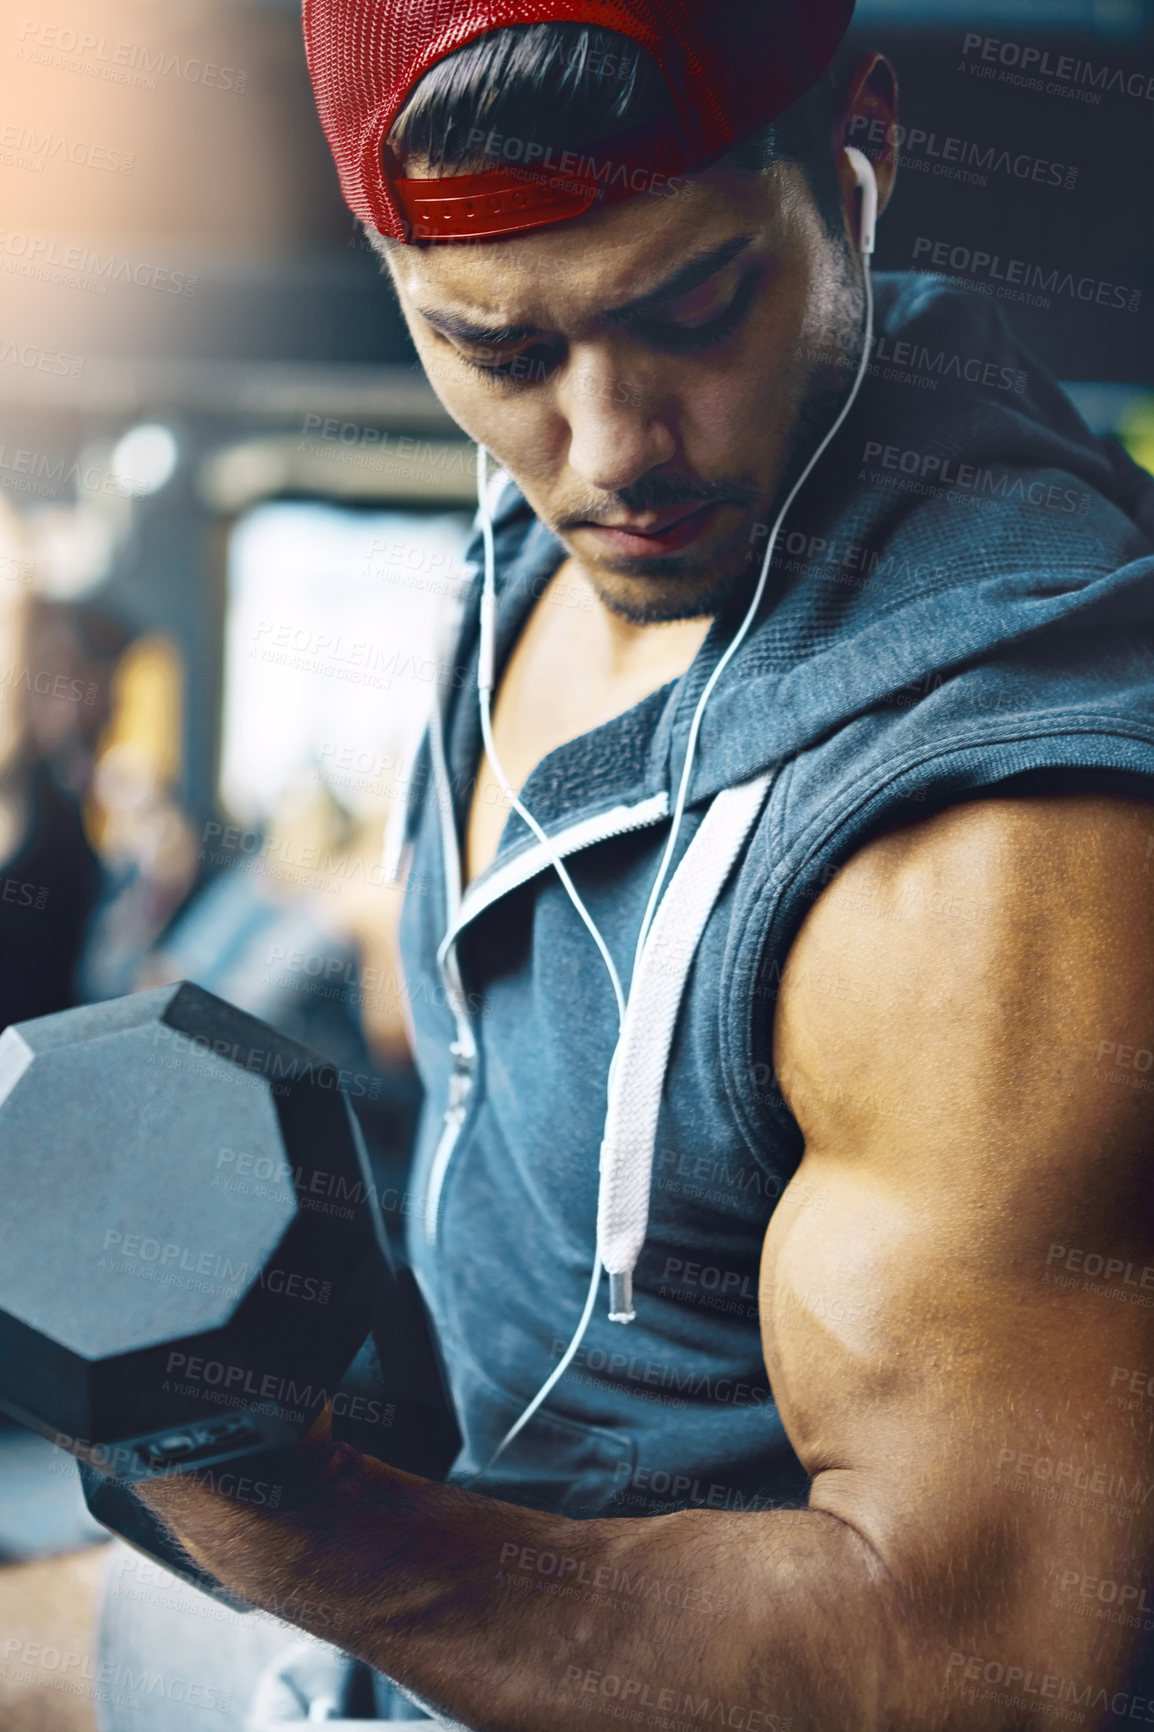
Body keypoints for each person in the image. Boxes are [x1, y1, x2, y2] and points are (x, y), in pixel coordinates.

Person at [120, 3, 1154, 1727]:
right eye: (498, 353)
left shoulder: (995, 841)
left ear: (859, 162)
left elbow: (972, 1670)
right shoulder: (526, 568)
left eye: (690, 312)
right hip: (468, 1580)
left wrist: (261, 1508)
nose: (609, 451)